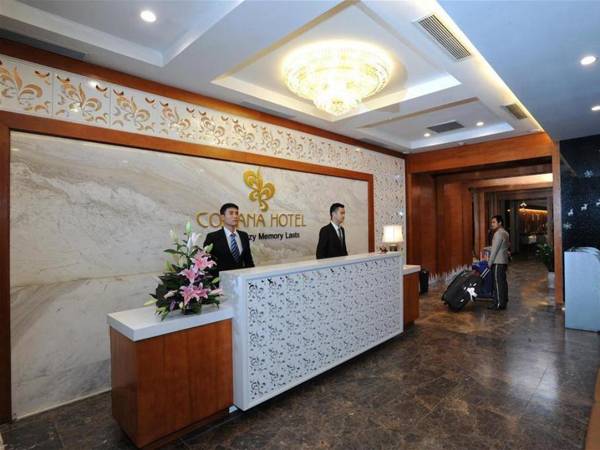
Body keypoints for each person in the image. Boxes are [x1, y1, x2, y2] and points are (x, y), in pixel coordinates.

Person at [203, 203, 254, 275]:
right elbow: (207, 263)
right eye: (231, 213)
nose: (235, 216)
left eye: (236, 213)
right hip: (221, 279)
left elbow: (248, 261)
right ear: (222, 217)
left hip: (241, 278)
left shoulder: (243, 235)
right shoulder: (212, 237)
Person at [488, 215, 510, 310]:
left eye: (494, 222)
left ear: (500, 223)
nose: (492, 224)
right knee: (503, 282)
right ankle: (504, 300)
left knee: (497, 283)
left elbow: (495, 250)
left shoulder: (498, 234)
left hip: (497, 261)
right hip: (503, 261)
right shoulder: (505, 233)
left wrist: (489, 263)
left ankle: (498, 303)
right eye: (491, 222)